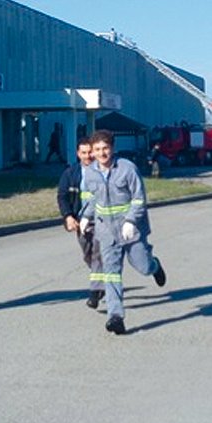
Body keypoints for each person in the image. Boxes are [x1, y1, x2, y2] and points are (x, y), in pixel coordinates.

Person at [80, 130, 167, 335]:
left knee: (142, 266)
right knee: (112, 274)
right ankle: (116, 316)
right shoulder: (90, 173)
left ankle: (155, 266)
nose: (102, 153)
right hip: (106, 231)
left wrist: (130, 220)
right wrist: (85, 216)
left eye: (106, 149)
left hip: (131, 230)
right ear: (92, 152)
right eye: (98, 150)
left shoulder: (127, 169)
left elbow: (139, 198)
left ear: (112, 149)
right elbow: (94, 199)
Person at [56, 137, 104, 308]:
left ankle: (94, 293)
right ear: (78, 154)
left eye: (90, 152)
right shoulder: (71, 174)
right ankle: (101, 281)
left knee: (98, 253)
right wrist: (68, 216)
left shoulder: (103, 170)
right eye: (83, 153)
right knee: (89, 255)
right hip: (81, 222)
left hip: (102, 219)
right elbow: (62, 196)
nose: (88, 156)